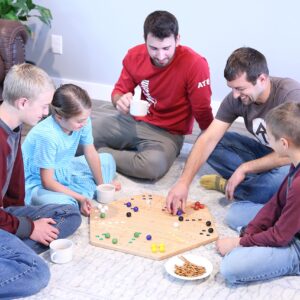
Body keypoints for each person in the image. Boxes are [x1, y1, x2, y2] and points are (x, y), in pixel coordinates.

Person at [166, 47, 300, 214]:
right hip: (265, 152)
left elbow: (293, 153)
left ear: (262, 79)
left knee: (280, 182)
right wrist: (183, 183)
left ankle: (235, 187)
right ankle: (257, 185)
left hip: (291, 160)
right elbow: (209, 139)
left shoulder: (291, 95)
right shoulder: (236, 99)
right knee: (207, 140)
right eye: (232, 88)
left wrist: (245, 168)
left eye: (240, 89)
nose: (235, 95)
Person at [92, 10, 213, 180]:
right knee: (85, 132)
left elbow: (203, 111)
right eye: (154, 48)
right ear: (145, 40)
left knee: (152, 166)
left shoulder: (195, 64)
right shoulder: (134, 56)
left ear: (177, 39)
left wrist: (210, 142)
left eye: (166, 48)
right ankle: (100, 151)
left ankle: (98, 154)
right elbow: (118, 92)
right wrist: (120, 100)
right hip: (134, 121)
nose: (161, 56)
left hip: (169, 134)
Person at [0, 64, 82, 298]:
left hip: (3, 214)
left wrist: (25, 222)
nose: (46, 113)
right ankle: (16, 257)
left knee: (69, 214)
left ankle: (11, 253)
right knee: (34, 273)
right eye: (44, 106)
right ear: (23, 102)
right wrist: (28, 227)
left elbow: (12, 193)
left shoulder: (12, 128)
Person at [216, 102, 300, 284]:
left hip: (295, 242)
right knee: (234, 213)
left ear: (284, 144)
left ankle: (293, 263)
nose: (268, 142)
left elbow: (280, 236)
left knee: (231, 267)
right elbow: (276, 204)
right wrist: (251, 232)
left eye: (270, 138)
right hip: (291, 224)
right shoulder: (296, 162)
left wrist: (239, 243)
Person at [22, 84, 121, 217]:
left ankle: (86, 191)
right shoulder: (47, 136)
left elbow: (90, 152)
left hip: (64, 168)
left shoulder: (83, 121)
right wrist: (80, 198)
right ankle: (77, 197)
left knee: (107, 159)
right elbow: (47, 182)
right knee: (67, 206)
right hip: (38, 180)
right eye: (79, 121)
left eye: (86, 118)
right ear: (59, 117)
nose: (84, 123)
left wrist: (101, 185)